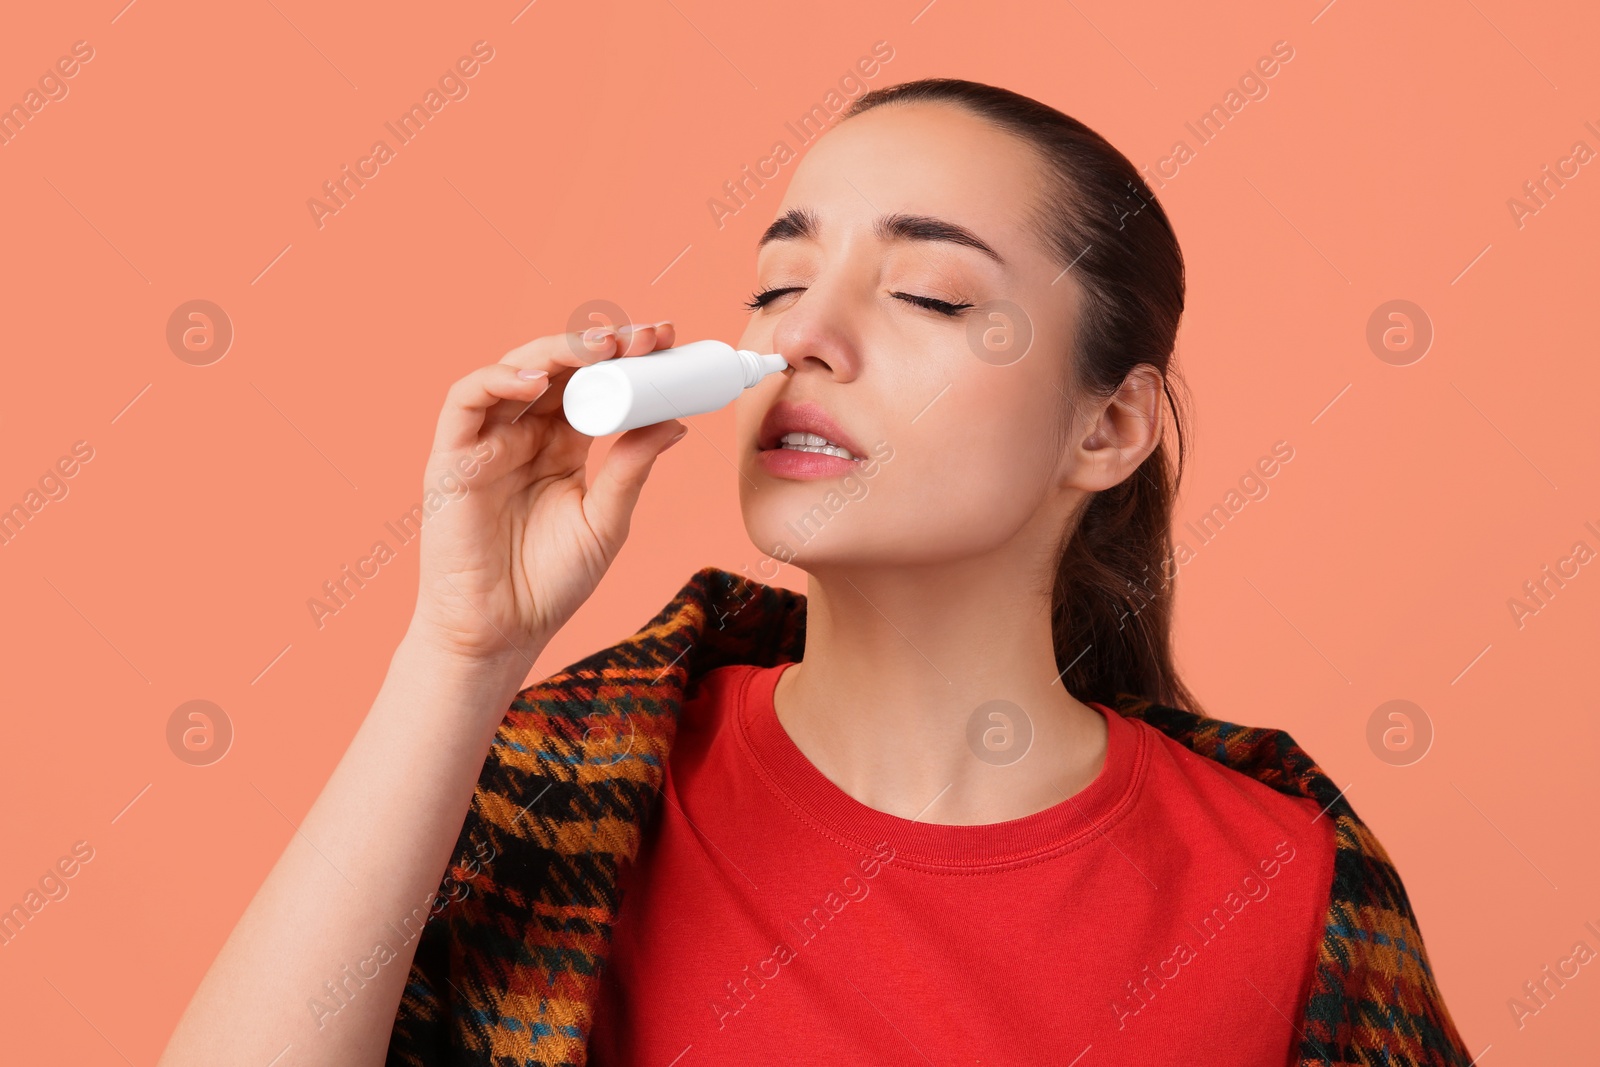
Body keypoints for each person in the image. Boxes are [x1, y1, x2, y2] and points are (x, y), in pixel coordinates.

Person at [158, 78, 1470, 1067]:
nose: (806, 341)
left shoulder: (1288, 887)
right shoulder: (556, 786)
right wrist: (459, 657)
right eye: (779, 286)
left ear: (1108, 427)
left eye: (931, 299)